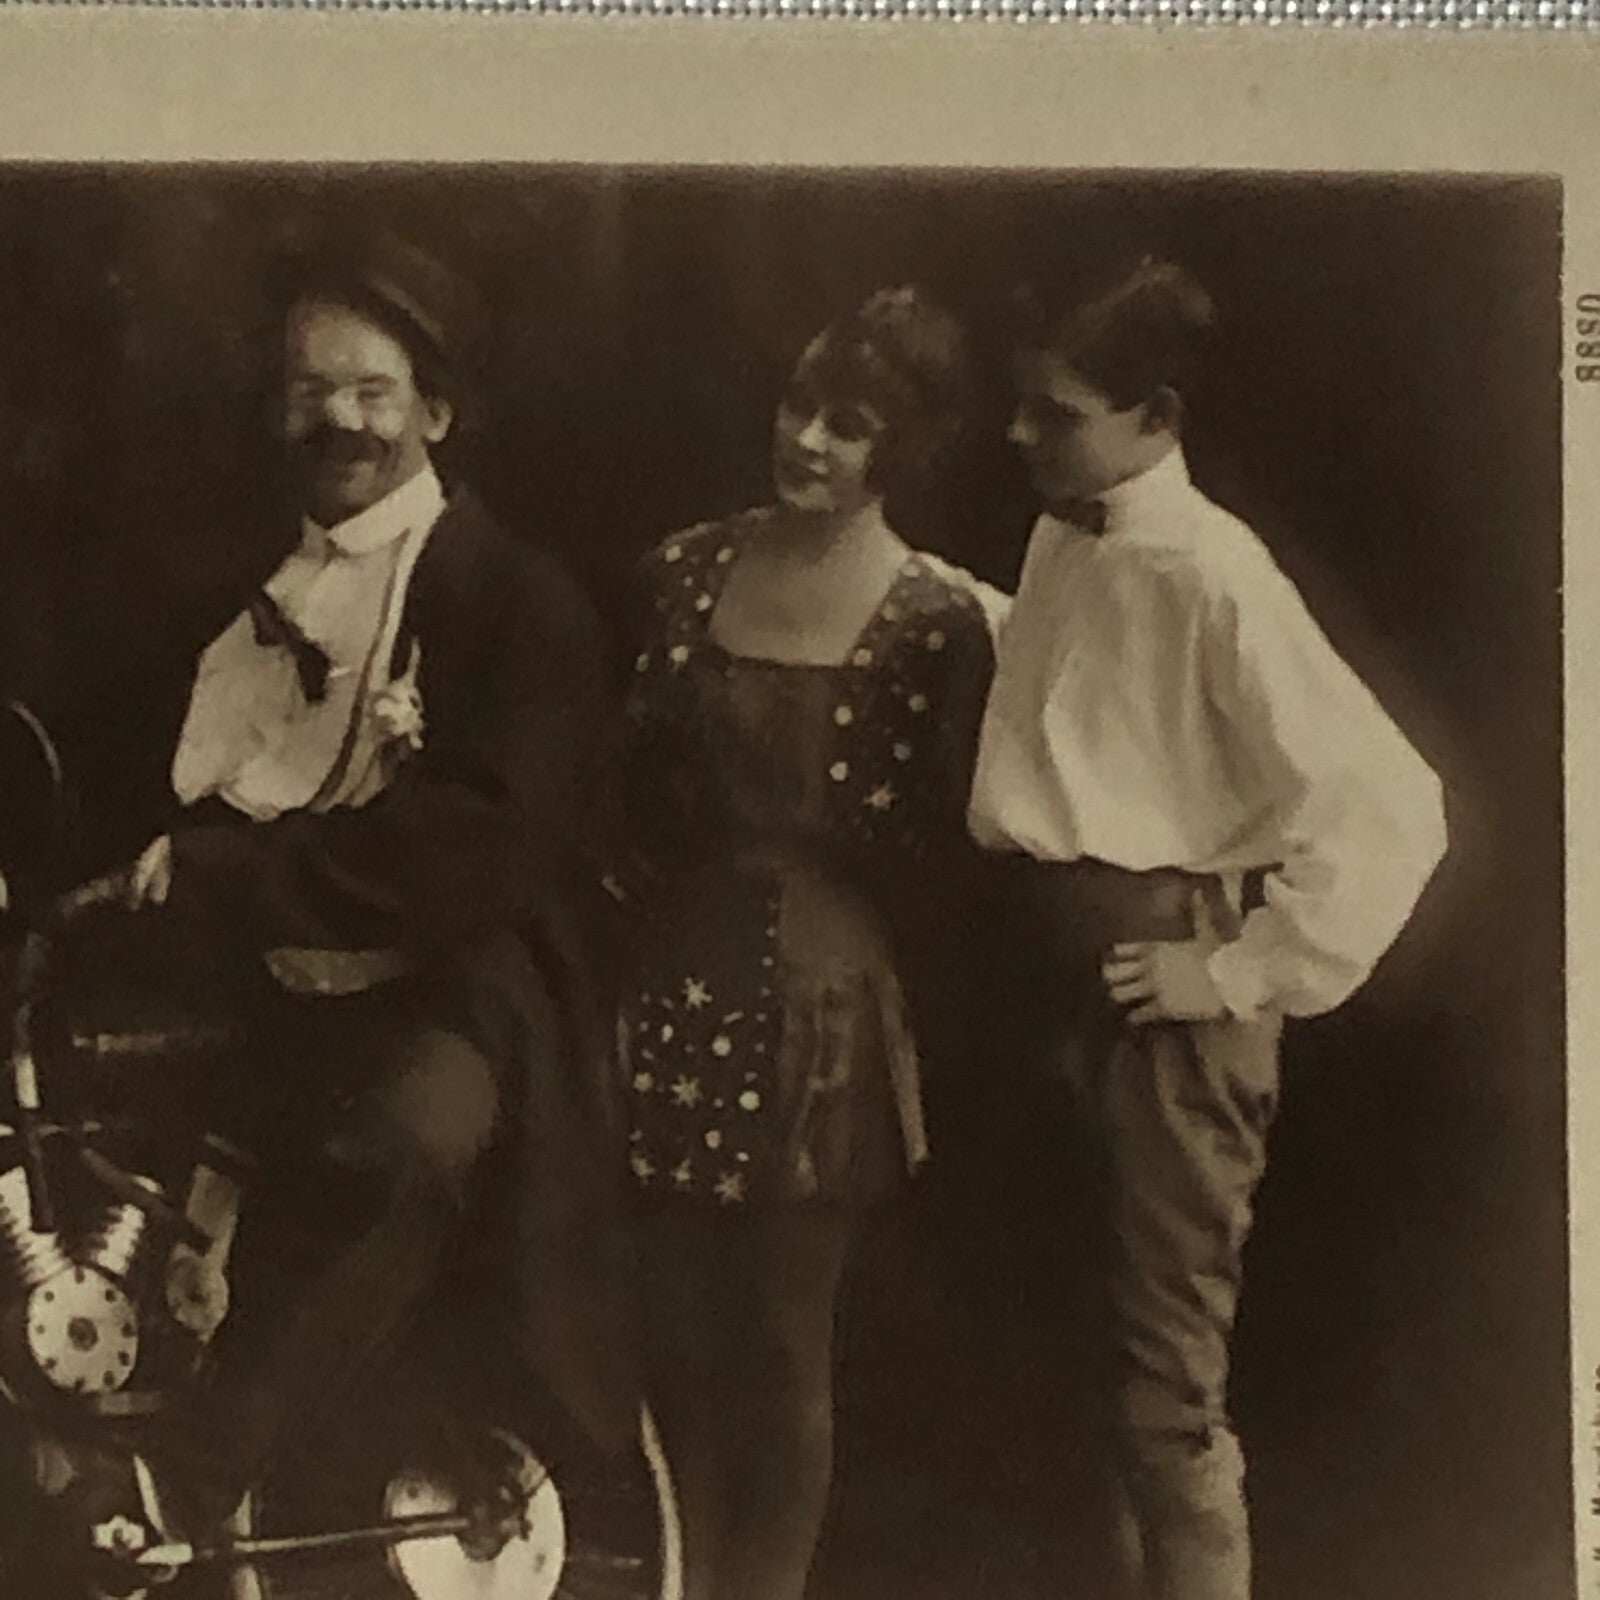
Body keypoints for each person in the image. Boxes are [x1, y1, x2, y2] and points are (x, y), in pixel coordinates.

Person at [42, 234, 630, 1568]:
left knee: (392, 1155)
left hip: (459, 980)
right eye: (309, 390)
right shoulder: (250, 591)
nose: (338, 422)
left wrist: (234, 878)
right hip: (257, 980)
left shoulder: (520, 603)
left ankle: (180, 1490)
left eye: (369, 390)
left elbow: (477, 847)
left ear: (436, 410)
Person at [967, 255, 1448, 1600]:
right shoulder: (1065, 532)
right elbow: (1081, 727)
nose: (1020, 434)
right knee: (1064, 1372)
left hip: (1160, 1015)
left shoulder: (1219, 575)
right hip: (1048, 988)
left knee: (1162, 1393)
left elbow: (1391, 808)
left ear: (1155, 416)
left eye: (1054, 413)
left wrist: (1232, 970)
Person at [619, 285, 999, 1600]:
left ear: (904, 448)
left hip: (824, 1006)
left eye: (849, 424)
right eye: (799, 407)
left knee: (783, 1341)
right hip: (671, 976)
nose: (810, 442)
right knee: (669, 1332)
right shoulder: (682, 570)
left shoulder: (946, 618)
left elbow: (969, 852)